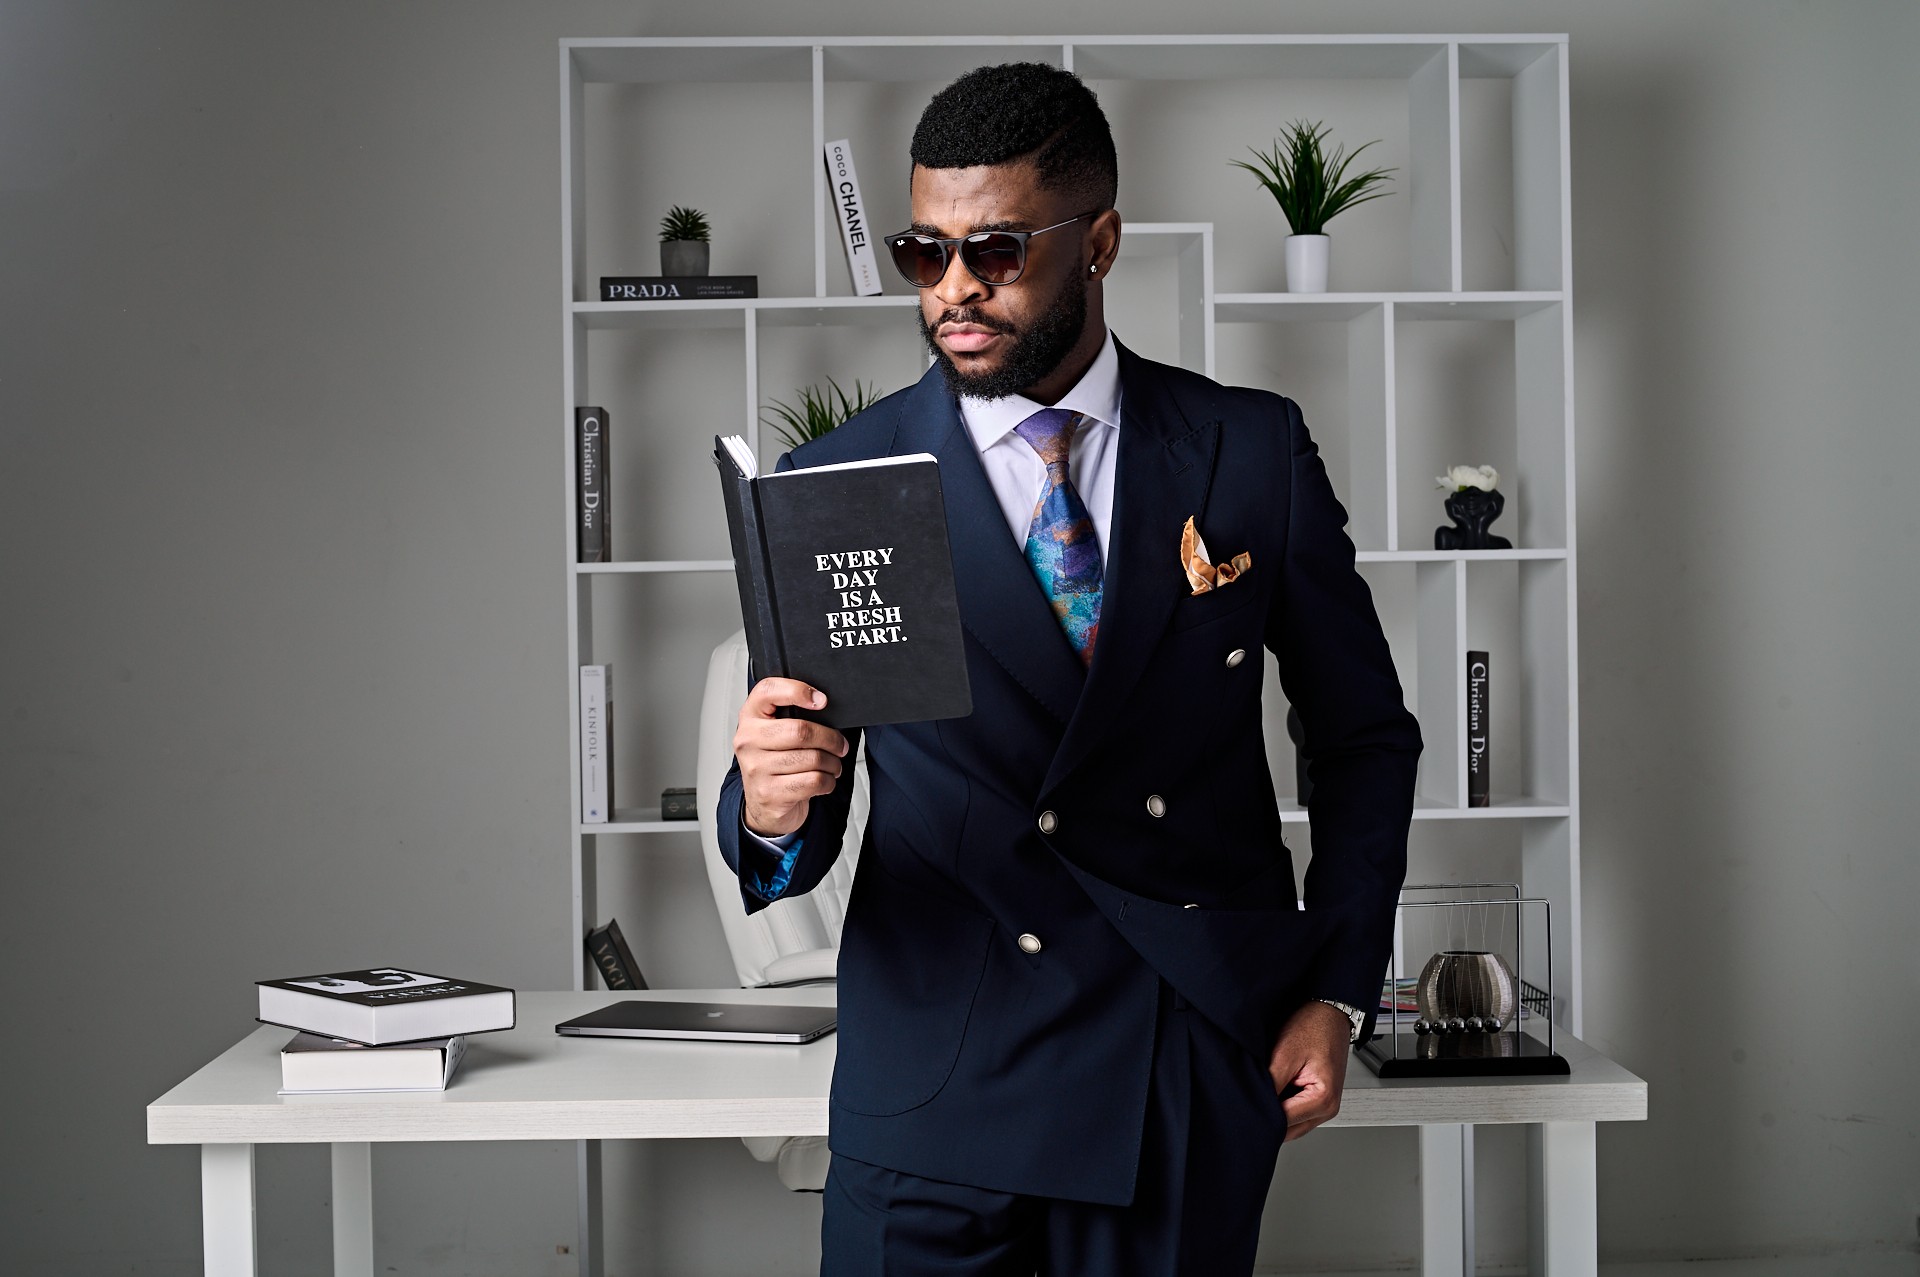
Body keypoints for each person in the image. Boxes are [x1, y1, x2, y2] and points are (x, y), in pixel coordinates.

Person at [715, 61, 1422, 1276]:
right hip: (936, 1073)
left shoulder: (1247, 448)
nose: (954, 290)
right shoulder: (844, 477)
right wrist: (770, 805)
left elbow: (1364, 738)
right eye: (921, 252)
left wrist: (1339, 986)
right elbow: (799, 777)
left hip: (1180, 1051)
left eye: (993, 250)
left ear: (1097, 241)